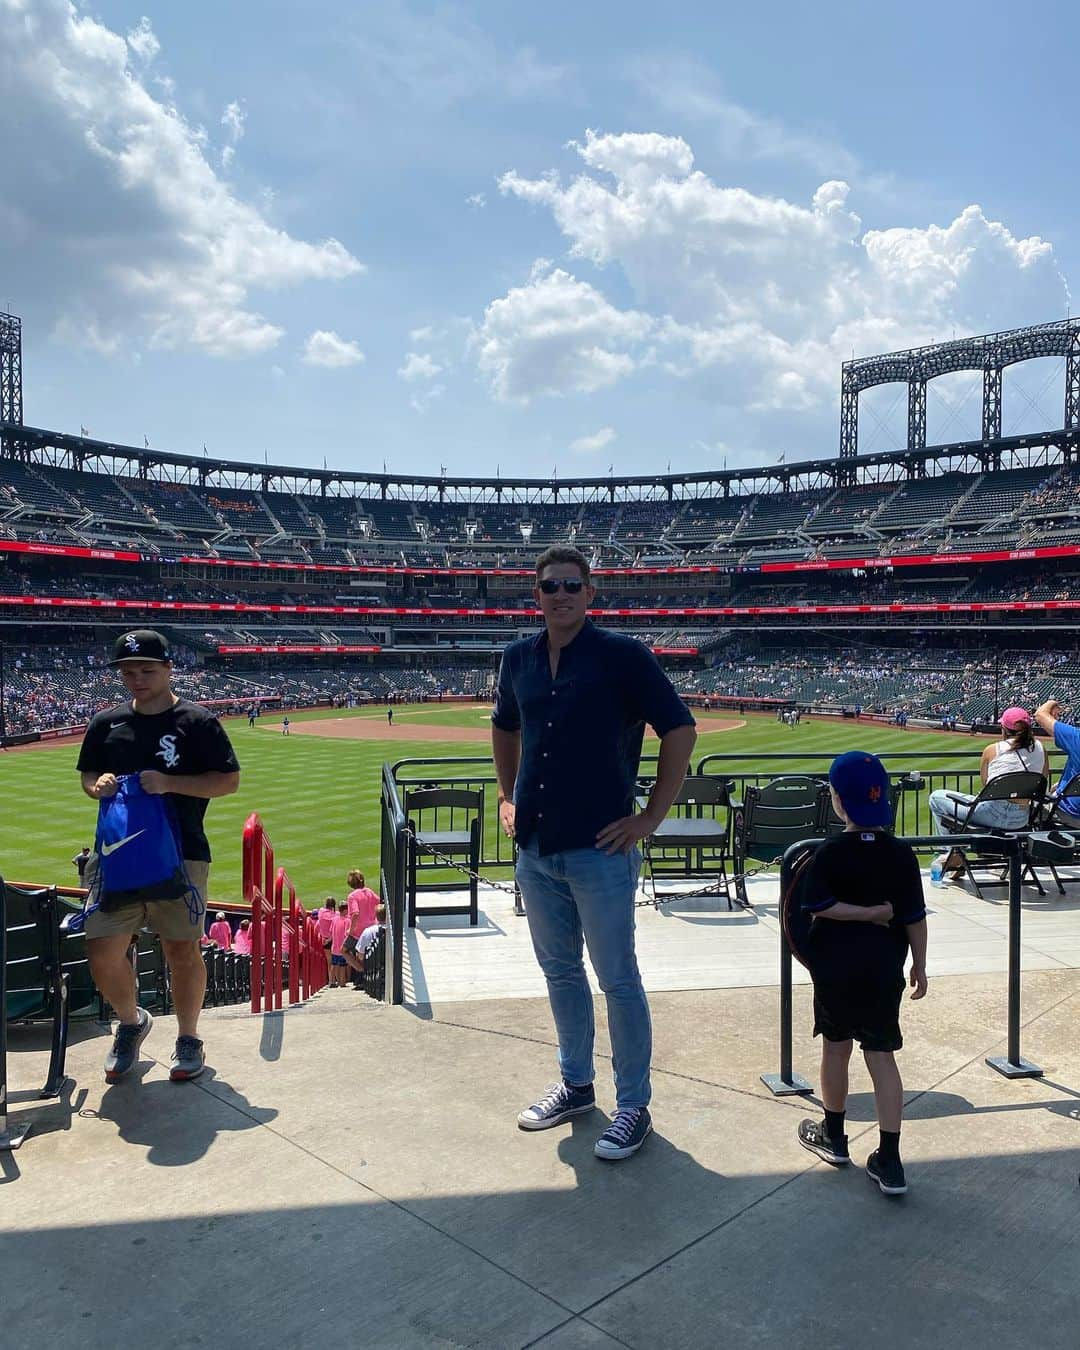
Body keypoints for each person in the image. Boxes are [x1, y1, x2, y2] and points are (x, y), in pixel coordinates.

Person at [492, 545, 697, 1162]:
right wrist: (507, 797)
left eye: (571, 585)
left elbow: (680, 728)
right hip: (536, 848)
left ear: (590, 593)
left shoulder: (623, 656)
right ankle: (577, 1085)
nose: (560, 595)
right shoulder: (517, 658)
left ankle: (633, 1104)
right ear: (537, 595)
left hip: (601, 850)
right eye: (550, 586)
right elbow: (504, 727)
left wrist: (651, 816)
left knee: (618, 979)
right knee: (560, 973)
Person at [75, 629, 240, 1084]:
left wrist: (171, 784)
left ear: (169, 669)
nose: (136, 679)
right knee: (102, 950)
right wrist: (98, 786)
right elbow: (89, 774)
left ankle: (188, 1037)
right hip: (116, 856)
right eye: (128, 671)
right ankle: (131, 1023)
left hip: (182, 853)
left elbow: (227, 781)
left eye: (147, 670)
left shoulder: (197, 721)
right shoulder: (105, 722)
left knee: (181, 949)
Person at [796, 751, 928, 1196]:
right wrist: (920, 965)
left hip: (835, 968)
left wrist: (866, 912)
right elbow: (913, 917)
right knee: (882, 1056)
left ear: (838, 801)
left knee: (836, 1050)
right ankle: (889, 1160)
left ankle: (834, 1136)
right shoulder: (901, 854)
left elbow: (820, 906)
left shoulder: (829, 852)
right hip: (884, 968)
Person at [928, 707, 1047, 878]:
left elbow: (987, 784)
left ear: (1004, 729)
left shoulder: (992, 749)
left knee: (936, 797)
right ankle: (953, 855)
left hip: (991, 813)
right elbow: (1041, 782)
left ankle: (952, 853)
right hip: (1021, 819)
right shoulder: (1041, 748)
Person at [1034, 697, 1080, 824]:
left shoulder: (1077, 737)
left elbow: (1040, 714)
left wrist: (1052, 702)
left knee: (1028, 807)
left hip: (1070, 815)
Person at [329, 900, 351, 987]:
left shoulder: (334, 919)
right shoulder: (348, 921)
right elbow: (347, 934)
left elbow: (331, 931)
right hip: (343, 947)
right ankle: (342, 982)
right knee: (342, 965)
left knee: (334, 965)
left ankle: (332, 981)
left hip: (334, 947)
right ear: (345, 910)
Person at [316, 897, 337, 980]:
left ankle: (331, 980)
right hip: (334, 939)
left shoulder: (321, 911)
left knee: (330, 962)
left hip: (326, 940)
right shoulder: (336, 915)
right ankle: (337, 979)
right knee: (336, 961)